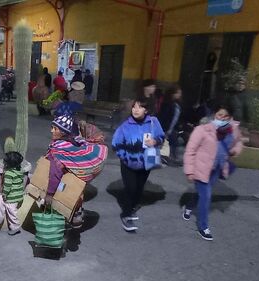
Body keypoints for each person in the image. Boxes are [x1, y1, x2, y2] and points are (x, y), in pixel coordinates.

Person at [183, 106, 243, 240]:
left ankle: (189, 206)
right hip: (201, 168)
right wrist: (189, 171)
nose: (221, 118)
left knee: (202, 193)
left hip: (217, 168)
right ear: (214, 115)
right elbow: (190, 151)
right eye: (219, 115)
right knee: (206, 196)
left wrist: (235, 151)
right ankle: (203, 226)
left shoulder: (232, 130)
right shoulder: (202, 129)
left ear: (230, 118)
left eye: (225, 116)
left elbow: (238, 143)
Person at [45, 114, 108, 228]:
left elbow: (55, 174)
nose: (51, 131)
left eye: (55, 128)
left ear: (63, 132)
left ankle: (64, 223)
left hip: (65, 183)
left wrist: (49, 194)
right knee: (77, 195)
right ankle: (77, 215)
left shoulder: (57, 151)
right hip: (77, 180)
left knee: (63, 199)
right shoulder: (75, 142)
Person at [112, 98, 165, 232]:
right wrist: (126, 157)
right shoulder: (125, 126)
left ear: (146, 110)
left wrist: (155, 141)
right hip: (128, 164)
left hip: (146, 161)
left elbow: (161, 136)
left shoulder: (153, 122)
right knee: (130, 188)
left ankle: (133, 206)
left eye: (139, 107)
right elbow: (115, 144)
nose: (136, 110)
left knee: (139, 188)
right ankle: (126, 214)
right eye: (134, 107)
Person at [0, 151, 24, 235]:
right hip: (18, 195)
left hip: (11, 197)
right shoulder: (19, 170)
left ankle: (15, 227)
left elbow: (7, 186)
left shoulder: (9, 173)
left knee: (11, 212)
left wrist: (4, 194)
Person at [158, 85, 183, 165]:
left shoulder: (176, 104)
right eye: (178, 93)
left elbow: (175, 118)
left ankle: (172, 157)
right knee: (171, 141)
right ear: (173, 94)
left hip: (171, 128)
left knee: (174, 141)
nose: (179, 95)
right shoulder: (167, 104)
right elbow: (164, 117)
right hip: (166, 127)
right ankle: (170, 158)